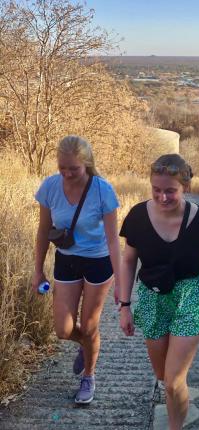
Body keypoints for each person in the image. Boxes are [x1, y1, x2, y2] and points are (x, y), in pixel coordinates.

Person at [119, 154, 199, 430]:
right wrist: (124, 306)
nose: (162, 197)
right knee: (162, 375)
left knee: (173, 380)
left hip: (191, 297)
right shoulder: (137, 216)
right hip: (152, 299)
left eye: (170, 190)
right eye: (156, 189)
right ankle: (173, 390)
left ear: (186, 187)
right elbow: (128, 261)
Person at [32, 135, 121, 404]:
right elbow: (43, 231)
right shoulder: (50, 187)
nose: (67, 174)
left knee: (90, 326)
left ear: (87, 164)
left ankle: (88, 376)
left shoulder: (103, 190)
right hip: (67, 259)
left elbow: (113, 240)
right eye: (62, 167)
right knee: (63, 329)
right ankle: (86, 344)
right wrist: (38, 270)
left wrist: (122, 282)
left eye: (74, 168)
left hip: (98, 261)